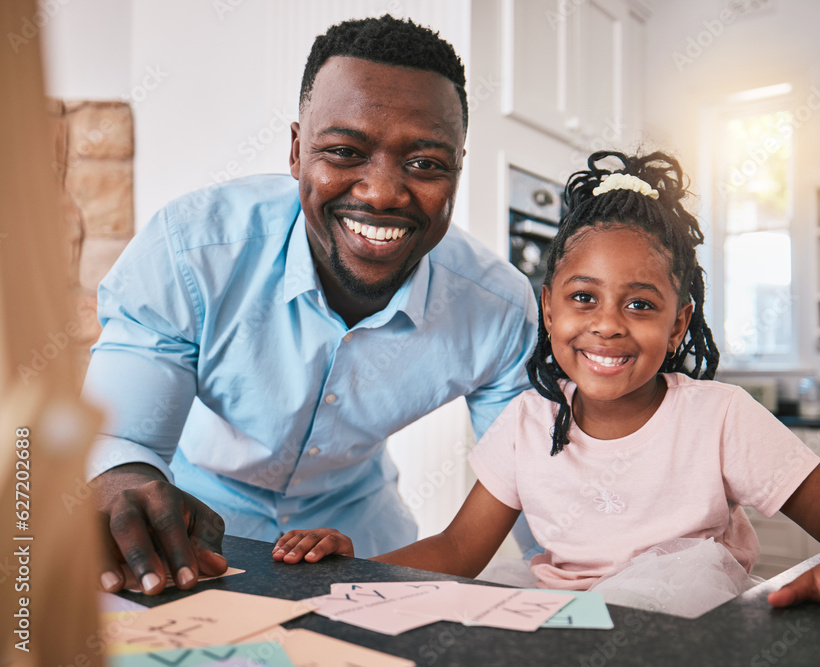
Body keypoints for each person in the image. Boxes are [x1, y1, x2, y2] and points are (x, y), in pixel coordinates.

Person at [274, 150, 820, 639]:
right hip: (556, 610)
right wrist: (350, 566)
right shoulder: (527, 421)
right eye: (583, 298)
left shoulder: (718, 417)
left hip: (679, 623)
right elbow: (456, 551)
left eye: (640, 303)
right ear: (548, 308)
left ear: (678, 322)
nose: (606, 323)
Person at [86, 15, 537, 596]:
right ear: (298, 151)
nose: (381, 193)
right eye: (345, 151)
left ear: (456, 170)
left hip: (363, 539)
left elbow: (538, 486)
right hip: (194, 525)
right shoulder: (193, 251)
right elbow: (127, 440)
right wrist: (128, 485)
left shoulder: (497, 309)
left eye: (425, 163)